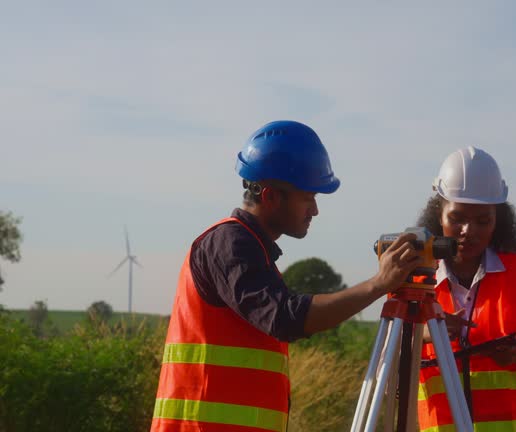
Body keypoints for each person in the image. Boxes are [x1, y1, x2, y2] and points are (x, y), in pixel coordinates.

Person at [150, 120, 421, 432]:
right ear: (270, 197)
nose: (315, 210)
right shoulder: (229, 245)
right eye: (308, 198)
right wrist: (378, 284)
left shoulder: (253, 251)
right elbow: (284, 318)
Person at [416, 146, 516, 432]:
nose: (468, 231)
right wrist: (422, 335)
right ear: (440, 213)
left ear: (497, 219)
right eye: (457, 218)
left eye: (482, 220)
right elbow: (384, 377)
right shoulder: (412, 282)